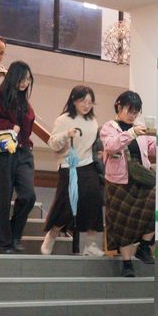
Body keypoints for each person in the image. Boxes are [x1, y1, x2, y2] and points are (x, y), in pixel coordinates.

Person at [41, 86, 105, 256]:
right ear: (74, 100)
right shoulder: (63, 120)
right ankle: (52, 234)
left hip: (88, 164)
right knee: (67, 204)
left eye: (90, 102)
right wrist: (65, 135)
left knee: (94, 199)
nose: (87, 105)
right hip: (69, 166)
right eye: (83, 101)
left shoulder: (93, 121)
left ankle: (90, 243)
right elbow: (53, 144)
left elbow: (93, 143)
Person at [99, 91, 156, 277]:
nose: (133, 115)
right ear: (118, 106)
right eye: (129, 110)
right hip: (118, 182)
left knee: (155, 206)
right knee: (123, 222)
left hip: (142, 178)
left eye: (136, 111)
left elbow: (151, 148)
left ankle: (145, 246)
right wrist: (130, 133)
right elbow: (111, 146)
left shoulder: (140, 129)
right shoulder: (109, 127)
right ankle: (126, 263)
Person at [0, 61, 37, 254]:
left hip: (23, 151)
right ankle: (1, 242)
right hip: (4, 150)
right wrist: (10, 127)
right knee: (2, 197)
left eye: (28, 79)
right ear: (13, 76)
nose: (25, 83)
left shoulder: (25, 102)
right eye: (23, 78)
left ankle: (14, 235)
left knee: (28, 195)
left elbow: (28, 126)